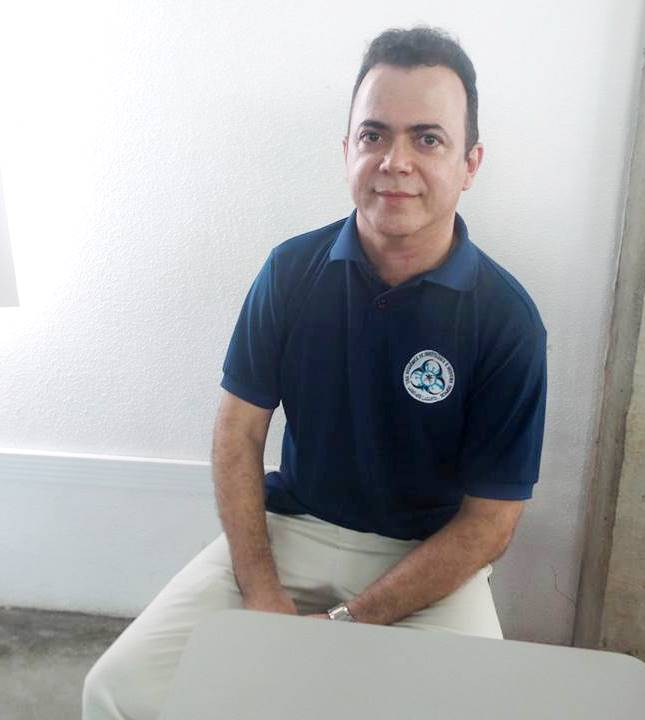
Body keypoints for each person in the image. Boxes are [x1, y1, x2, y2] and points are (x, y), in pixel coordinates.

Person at [83, 25, 547, 720]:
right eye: (373, 135)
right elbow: (237, 433)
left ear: (469, 163)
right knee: (118, 692)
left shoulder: (507, 320)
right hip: (291, 533)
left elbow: (489, 522)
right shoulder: (290, 273)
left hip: (428, 563)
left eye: (427, 139)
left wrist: (346, 625)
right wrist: (261, 592)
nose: (394, 161)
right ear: (347, 150)